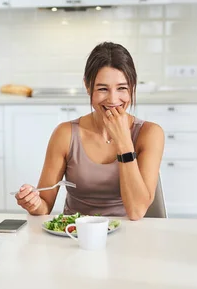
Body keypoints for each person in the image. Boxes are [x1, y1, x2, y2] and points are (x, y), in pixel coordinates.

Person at [15, 42, 164, 220]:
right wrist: (34, 203)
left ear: (132, 87)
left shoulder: (150, 134)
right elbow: (44, 206)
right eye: (102, 89)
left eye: (122, 88)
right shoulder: (65, 134)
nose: (113, 99)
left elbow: (137, 211)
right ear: (87, 86)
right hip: (73, 234)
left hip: (127, 235)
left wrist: (123, 141)